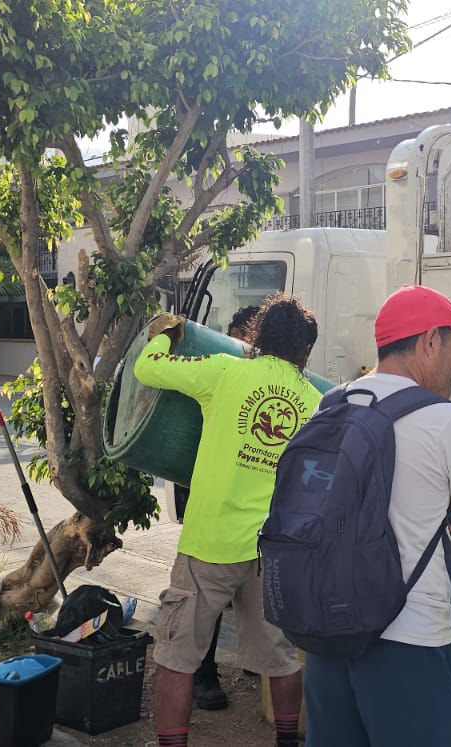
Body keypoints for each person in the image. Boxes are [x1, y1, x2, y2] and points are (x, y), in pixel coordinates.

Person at [303, 284, 451, 747]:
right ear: (429, 341)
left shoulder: (333, 404)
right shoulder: (449, 421)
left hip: (327, 639)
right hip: (410, 646)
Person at [136, 294, 322, 747]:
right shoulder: (316, 402)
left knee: (177, 656)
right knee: (281, 658)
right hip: (271, 550)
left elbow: (149, 370)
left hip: (209, 543)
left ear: (258, 335)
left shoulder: (226, 371)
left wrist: (160, 336)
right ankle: (286, 743)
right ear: (306, 352)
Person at [179, 302, 262, 712]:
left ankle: (253, 663)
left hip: (253, 519)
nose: (251, 346)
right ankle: (203, 672)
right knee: (205, 601)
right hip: (213, 507)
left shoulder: (266, 379)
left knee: (254, 601)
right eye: (245, 338)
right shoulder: (222, 370)